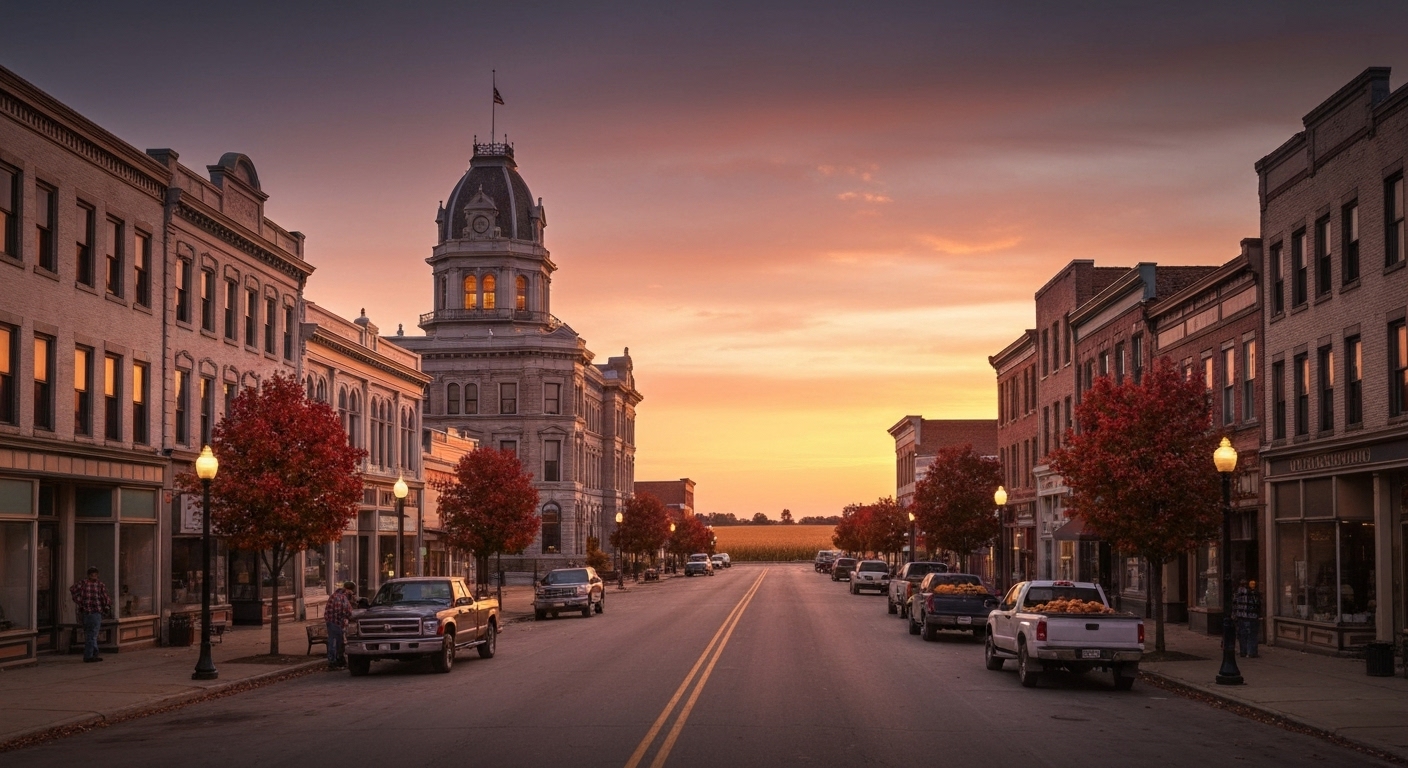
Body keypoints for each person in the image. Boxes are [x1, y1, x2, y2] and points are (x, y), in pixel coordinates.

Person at [70, 567, 112, 662]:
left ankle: (93, 653)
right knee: (92, 634)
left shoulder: (85, 584)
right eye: (93, 575)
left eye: (95, 575)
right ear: (89, 575)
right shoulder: (96, 584)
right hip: (93, 611)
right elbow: (105, 597)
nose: (94, 577)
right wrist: (106, 606)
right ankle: (90, 655)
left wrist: (80, 601)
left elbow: (73, 590)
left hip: (90, 612)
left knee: (91, 634)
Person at [324, 580, 355, 669]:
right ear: (348, 590)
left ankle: (337, 661)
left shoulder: (334, 595)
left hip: (331, 621)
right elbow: (348, 611)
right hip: (335, 622)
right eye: (351, 591)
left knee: (337, 642)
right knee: (336, 643)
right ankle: (334, 661)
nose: (352, 594)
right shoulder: (342, 598)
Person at [1233, 578, 1263, 658]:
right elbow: (1258, 604)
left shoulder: (1238, 593)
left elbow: (1234, 605)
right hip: (1252, 616)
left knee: (1242, 635)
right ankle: (1251, 652)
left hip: (1241, 616)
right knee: (1252, 635)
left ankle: (1243, 651)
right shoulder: (1254, 593)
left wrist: (1235, 615)